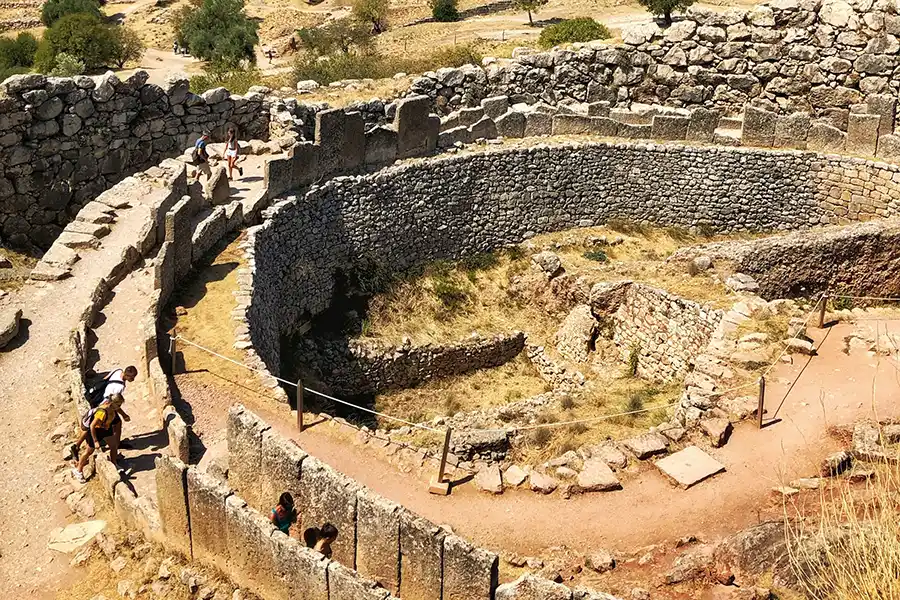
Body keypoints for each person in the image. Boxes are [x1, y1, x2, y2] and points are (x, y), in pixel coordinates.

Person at [71, 393, 131, 483]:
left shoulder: (113, 407)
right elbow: (92, 426)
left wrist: (124, 415)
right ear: (112, 403)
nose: (119, 406)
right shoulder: (102, 412)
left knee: (113, 446)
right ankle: (78, 470)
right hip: (95, 431)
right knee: (89, 451)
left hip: (106, 428)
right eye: (118, 404)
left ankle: (114, 463)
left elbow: (118, 410)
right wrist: (95, 441)